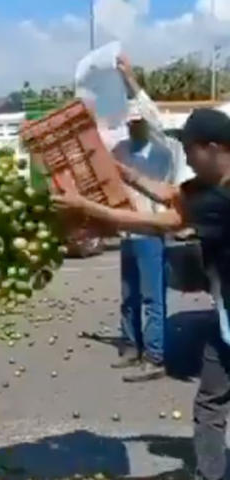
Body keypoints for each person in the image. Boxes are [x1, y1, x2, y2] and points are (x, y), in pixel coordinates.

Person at [53, 107, 230, 480]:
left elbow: (158, 222)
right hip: (226, 319)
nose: (187, 158)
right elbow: (169, 194)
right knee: (211, 402)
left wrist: (87, 208)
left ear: (214, 148)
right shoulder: (207, 186)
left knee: (212, 402)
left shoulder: (221, 199)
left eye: (191, 150)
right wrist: (122, 173)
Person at [106, 55, 190, 382]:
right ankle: (131, 346)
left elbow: (155, 117)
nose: (135, 125)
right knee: (128, 295)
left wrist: (130, 78)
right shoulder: (122, 150)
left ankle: (155, 357)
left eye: (139, 121)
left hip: (152, 233)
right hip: (129, 233)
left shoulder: (163, 150)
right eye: (131, 122)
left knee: (152, 298)